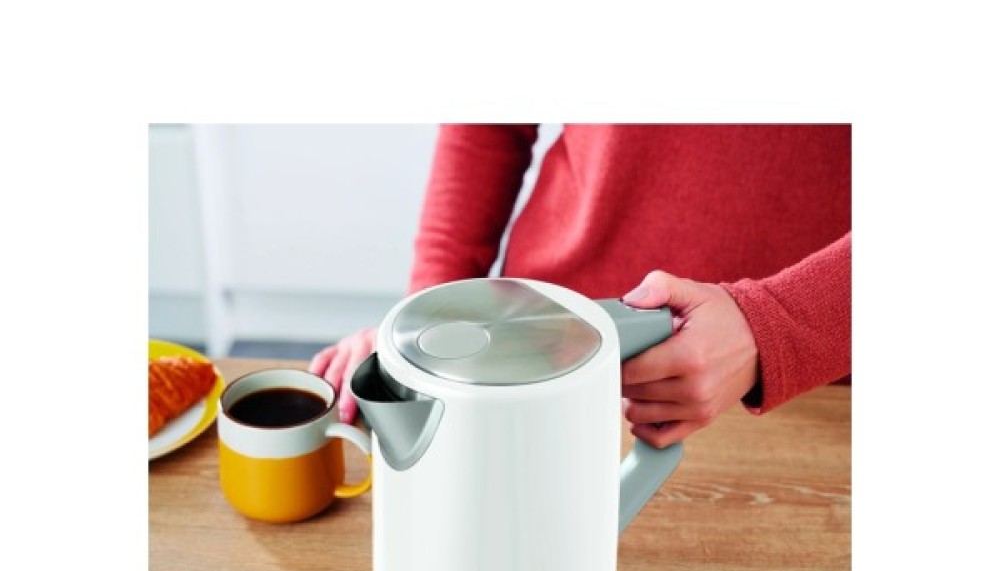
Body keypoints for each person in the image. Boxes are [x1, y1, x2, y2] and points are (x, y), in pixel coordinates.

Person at [310, 124, 851, 447]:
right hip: (536, 340)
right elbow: (488, 125)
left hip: (818, 383)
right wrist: (426, 321)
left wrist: (774, 324)